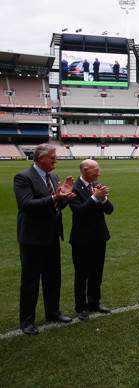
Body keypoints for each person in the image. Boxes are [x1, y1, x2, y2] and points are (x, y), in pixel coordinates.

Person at [13, 143, 76, 335]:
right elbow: (27, 205)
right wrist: (55, 198)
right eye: (52, 157)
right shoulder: (23, 177)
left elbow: (55, 207)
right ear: (41, 159)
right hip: (32, 238)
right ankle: (27, 321)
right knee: (30, 281)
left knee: (53, 278)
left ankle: (53, 312)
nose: (56, 160)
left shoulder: (54, 177)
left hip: (51, 236)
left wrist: (64, 199)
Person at [69, 159, 114, 321]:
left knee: (96, 272)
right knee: (81, 275)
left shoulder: (98, 185)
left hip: (99, 237)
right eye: (95, 170)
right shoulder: (74, 188)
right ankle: (81, 307)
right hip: (81, 240)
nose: (98, 173)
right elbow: (78, 212)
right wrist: (95, 198)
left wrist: (103, 199)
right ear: (85, 171)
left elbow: (110, 210)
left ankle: (94, 302)